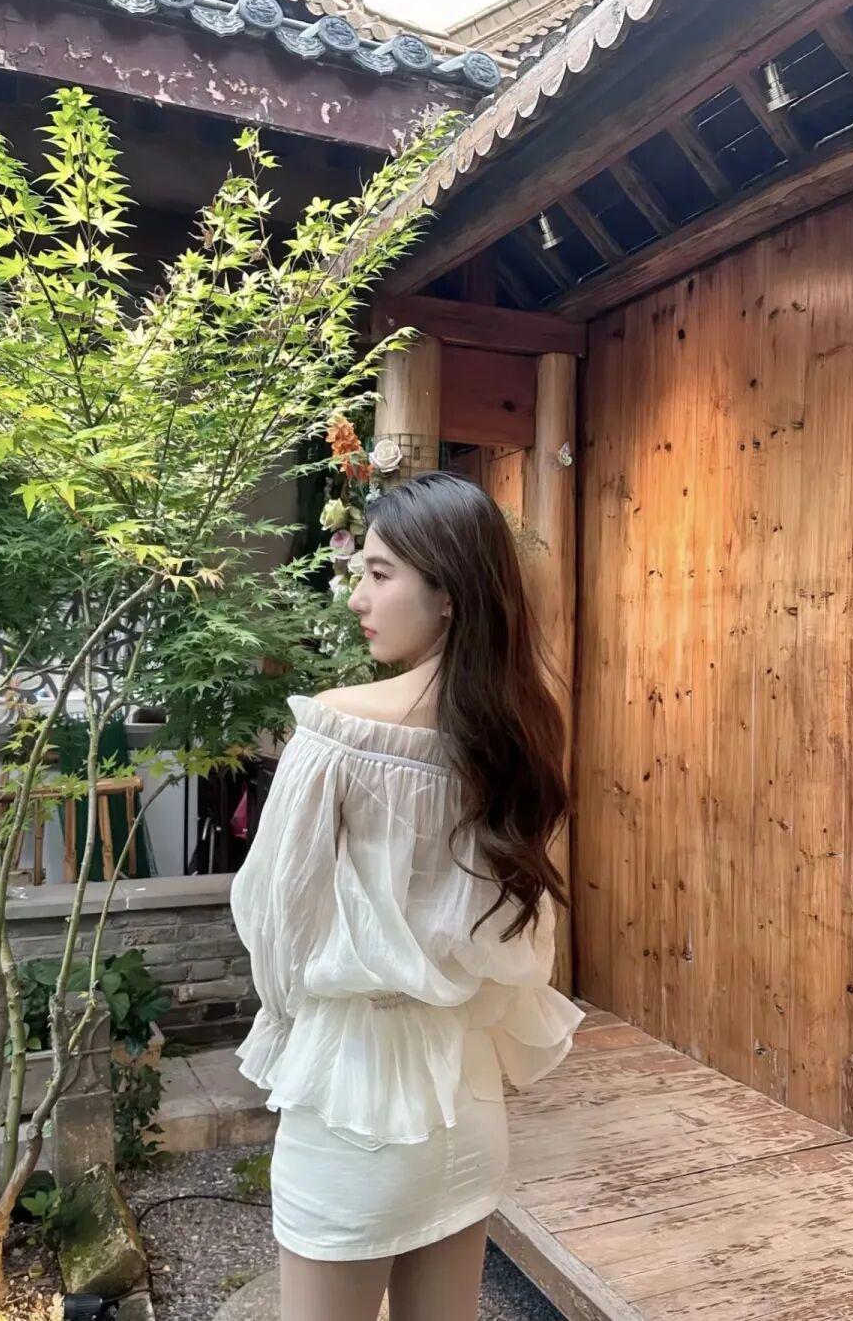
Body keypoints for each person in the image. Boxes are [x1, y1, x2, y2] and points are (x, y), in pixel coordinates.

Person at [229, 470, 587, 1321]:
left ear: (448, 592)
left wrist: (289, 1025)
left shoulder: (337, 731)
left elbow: (275, 921)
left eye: (380, 573)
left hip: (354, 1100)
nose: (358, 595)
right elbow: (522, 941)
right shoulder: (515, 735)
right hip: (466, 1095)